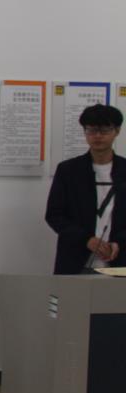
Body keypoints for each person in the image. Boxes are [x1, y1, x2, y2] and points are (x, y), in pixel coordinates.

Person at [45, 104, 125, 274]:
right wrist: (86, 239)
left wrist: (119, 242)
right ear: (85, 132)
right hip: (75, 260)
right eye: (91, 130)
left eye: (104, 130)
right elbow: (54, 215)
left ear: (117, 131)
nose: (98, 136)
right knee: (70, 293)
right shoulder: (68, 170)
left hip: (120, 260)